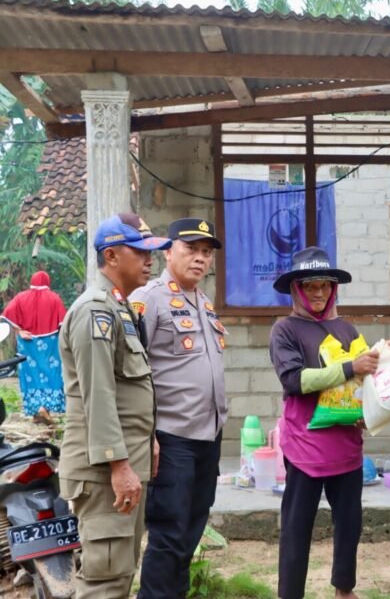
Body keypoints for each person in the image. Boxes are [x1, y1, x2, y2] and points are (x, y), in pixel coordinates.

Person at [58, 213, 171, 598]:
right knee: (105, 583)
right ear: (111, 256)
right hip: (104, 471)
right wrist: (119, 464)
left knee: (119, 574)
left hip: (121, 464)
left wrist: (148, 440)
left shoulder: (117, 308)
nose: (149, 259)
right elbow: (99, 393)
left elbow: (130, 388)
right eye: (139, 251)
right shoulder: (95, 311)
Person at [269, 246, 379, 599]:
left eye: (325, 286)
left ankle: (344, 590)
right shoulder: (285, 330)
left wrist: (373, 407)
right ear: (296, 289)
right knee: (296, 530)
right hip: (305, 448)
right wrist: (350, 368)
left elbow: (365, 382)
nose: (318, 294)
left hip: (347, 446)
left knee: (349, 525)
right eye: (310, 286)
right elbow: (294, 381)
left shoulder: (346, 328)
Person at [131, 218, 227, 598]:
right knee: (168, 535)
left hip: (208, 436)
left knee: (188, 535)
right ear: (168, 251)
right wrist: (147, 433)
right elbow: (134, 372)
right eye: (191, 250)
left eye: (206, 253)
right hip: (171, 438)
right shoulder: (149, 298)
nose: (200, 259)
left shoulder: (203, 302)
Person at [1, 270, 67, 417]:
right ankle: (46, 407)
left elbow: (7, 314)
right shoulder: (54, 298)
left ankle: (36, 408)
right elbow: (63, 323)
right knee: (51, 372)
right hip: (50, 344)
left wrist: (19, 331)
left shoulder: (20, 297)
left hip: (27, 342)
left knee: (30, 374)